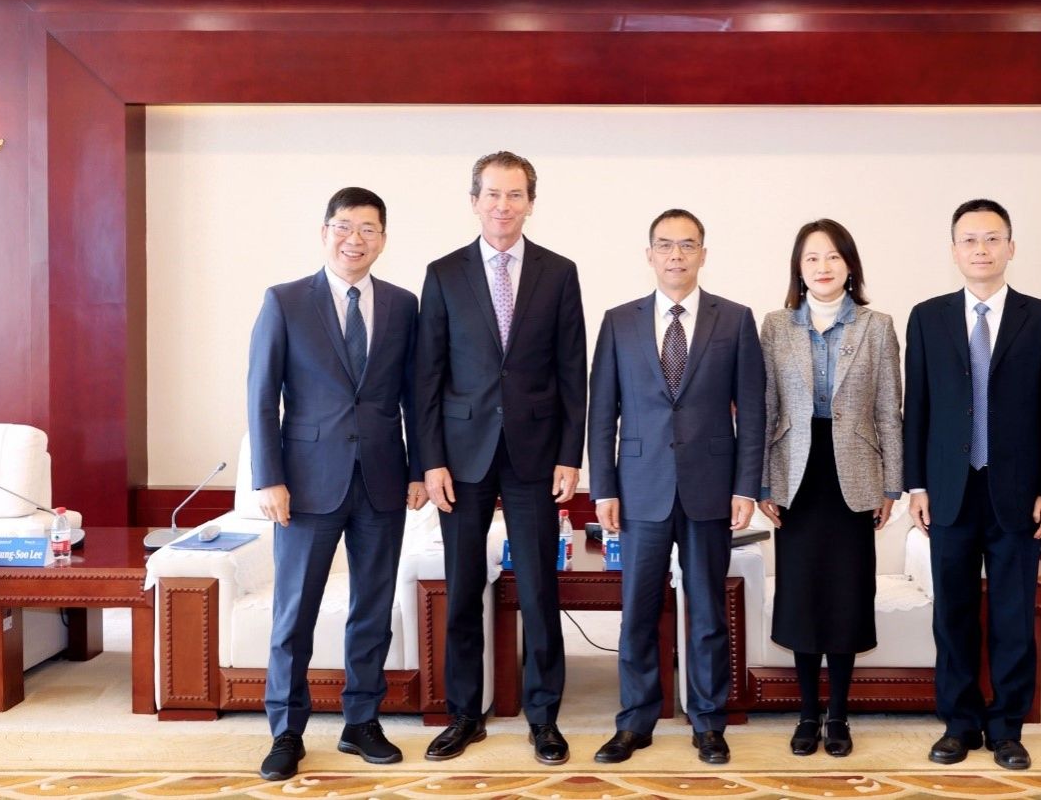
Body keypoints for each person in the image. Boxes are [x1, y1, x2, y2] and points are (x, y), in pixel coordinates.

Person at [248, 187, 425, 781]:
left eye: (369, 229)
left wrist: (419, 468)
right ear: (325, 232)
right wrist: (269, 478)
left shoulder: (402, 305)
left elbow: (415, 396)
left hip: (381, 479)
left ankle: (361, 722)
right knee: (294, 612)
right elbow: (261, 395)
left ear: (383, 239)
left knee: (372, 608)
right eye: (345, 226)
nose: (356, 239)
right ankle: (286, 730)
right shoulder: (285, 300)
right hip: (305, 484)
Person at [416, 151, 586, 766]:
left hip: (535, 454)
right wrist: (431, 460)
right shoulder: (443, 274)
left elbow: (573, 370)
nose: (503, 206)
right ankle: (465, 714)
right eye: (492, 194)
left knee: (540, 590)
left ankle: (544, 718)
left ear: (530, 203)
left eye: (515, 195)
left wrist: (570, 454)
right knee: (463, 589)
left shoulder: (558, 273)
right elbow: (427, 375)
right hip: (461, 458)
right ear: (474, 201)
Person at [904, 198, 1041, 771]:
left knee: (1012, 615)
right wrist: (916, 484)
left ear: (1010, 247)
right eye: (969, 240)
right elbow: (917, 408)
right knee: (952, 614)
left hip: (1020, 495)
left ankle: (1007, 727)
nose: (980, 249)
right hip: (948, 491)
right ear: (954, 250)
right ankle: (958, 724)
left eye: (992, 238)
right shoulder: (927, 318)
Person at [588, 208, 765, 766]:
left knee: (708, 611)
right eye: (665, 245)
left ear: (703, 254)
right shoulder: (619, 321)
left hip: (711, 487)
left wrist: (746, 487)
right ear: (649, 254)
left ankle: (708, 723)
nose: (676, 255)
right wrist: (603, 488)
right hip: (640, 489)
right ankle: (634, 722)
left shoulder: (734, 319)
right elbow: (602, 412)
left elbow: (753, 412)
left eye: (687, 245)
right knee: (638, 611)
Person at [757, 218, 903, 757]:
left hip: (855, 474)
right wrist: (761, 482)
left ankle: (837, 714)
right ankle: (805, 714)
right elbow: (765, 408)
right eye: (812, 258)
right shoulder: (776, 326)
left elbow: (889, 410)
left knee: (846, 596)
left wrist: (892, 485)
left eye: (833, 257)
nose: (823, 267)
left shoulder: (877, 326)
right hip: (795, 474)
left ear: (850, 266)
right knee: (801, 596)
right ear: (799, 268)